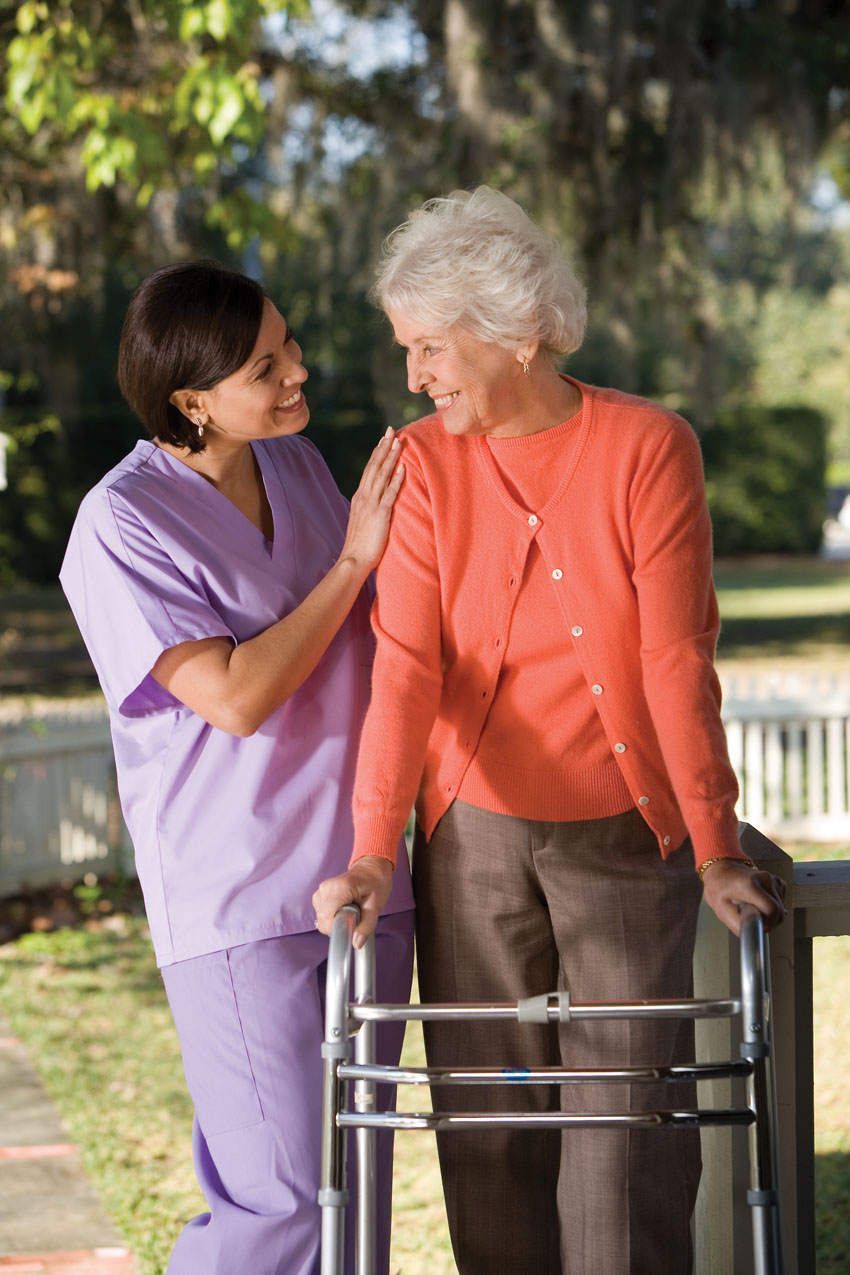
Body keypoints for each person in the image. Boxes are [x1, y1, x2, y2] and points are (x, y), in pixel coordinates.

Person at [313, 188, 787, 1275]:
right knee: (489, 1122)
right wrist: (375, 850)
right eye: (407, 349)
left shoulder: (648, 446)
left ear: (515, 331)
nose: (415, 376)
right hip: (471, 835)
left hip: (624, 831)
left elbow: (674, 659)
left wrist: (715, 846)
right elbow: (407, 666)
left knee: (625, 1134)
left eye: (431, 347)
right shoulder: (423, 464)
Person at [59, 259, 415, 1275]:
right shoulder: (121, 521)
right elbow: (233, 696)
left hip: (364, 877)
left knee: (354, 1193)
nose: (297, 370)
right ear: (192, 401)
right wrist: (353, 561)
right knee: (283, 1201)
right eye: (266, 366)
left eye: (288, 344)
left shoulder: (295, 467)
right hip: (237, 899)